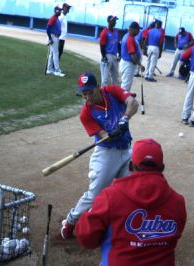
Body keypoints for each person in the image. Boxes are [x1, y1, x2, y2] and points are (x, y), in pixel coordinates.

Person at [75, 138, 187, 266]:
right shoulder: (178, 202)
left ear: (130, 166)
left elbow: (86, 240)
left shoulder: (110, 196)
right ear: (162, 168)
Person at [61, 72, 139, 239]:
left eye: (90, 92)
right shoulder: (85, 114)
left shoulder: (111, 91)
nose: (87, 98)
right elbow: (103, 136)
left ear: (98, 87)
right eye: (84, 94)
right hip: (106, 154)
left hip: (126, 151)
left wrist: (125, 119)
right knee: (95, 195)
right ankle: (71, 220)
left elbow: (133, 102)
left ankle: (123, 226)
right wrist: (112, 133)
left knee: (132, 190)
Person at [119, 21, 145, 91]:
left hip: (125, 62)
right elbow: (133, 55)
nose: (138, 31)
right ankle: (124, 101)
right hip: (128, 64)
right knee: (126, 86)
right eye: (137, 29)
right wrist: (140, 65)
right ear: (133, 29)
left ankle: (123, 99)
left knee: (125, 84)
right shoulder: (130, 39)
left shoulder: (126, 35)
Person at [99, 15, 121, 87]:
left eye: (115, 21)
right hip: (107, 56)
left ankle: (116, 94)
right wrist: (104, 57)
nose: (115, 22)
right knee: (105, 79)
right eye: (113, 21)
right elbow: (102, 46)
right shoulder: (104, 32)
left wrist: (120, 54)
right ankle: (103, 95)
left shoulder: (116, 32)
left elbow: (118, 44)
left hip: (114, 56)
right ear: (109, 21)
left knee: (115, 78)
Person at [46, 6, 65, 77]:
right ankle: (57, 70)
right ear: (56, 11)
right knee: (56, 54)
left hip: (55, 36)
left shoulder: (56, 18)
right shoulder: (53, 18)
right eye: (60, 10)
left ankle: (49, 69)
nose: (61, 12)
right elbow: (48, 28)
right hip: (53, 37)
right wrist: (50, 38)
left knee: (52, 53)